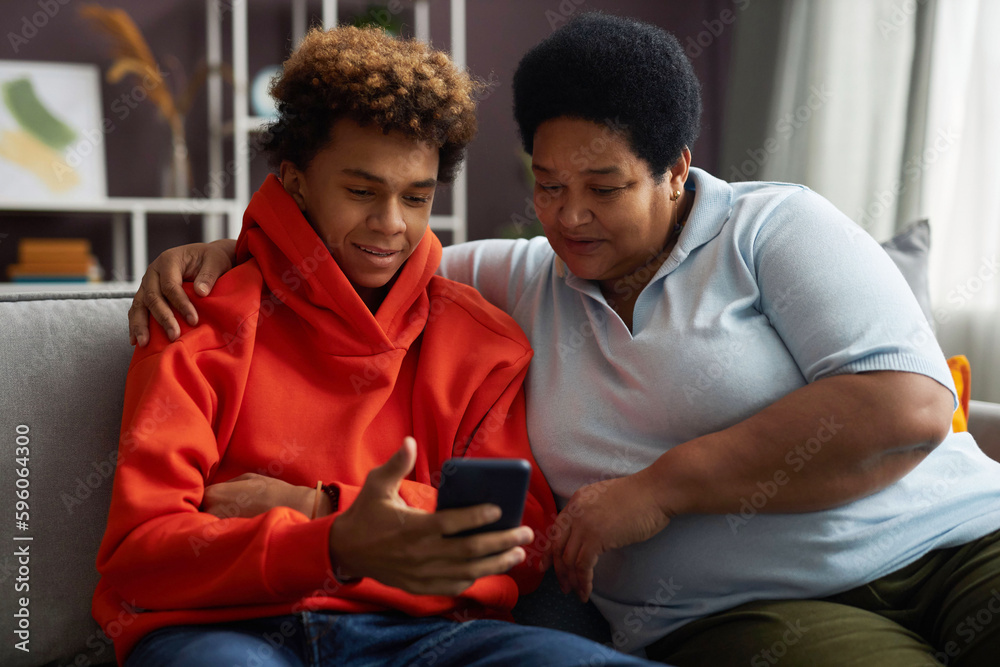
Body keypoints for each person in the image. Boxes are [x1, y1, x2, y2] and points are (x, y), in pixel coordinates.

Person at [129, 12, 1000, 667]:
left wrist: (659, 488)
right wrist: (235, 247)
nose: (570, 216)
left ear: (677, 170)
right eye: (548, 185)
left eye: (604, 186)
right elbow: (345, 252)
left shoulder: (774, 227)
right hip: (741, 611)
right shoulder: (510, 279)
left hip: (958, 539)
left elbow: (909, 404)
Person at [94, 24, 662, 667]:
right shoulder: (195, 318)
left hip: (426, 636)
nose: (390, 224)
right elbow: (142, 550)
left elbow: (517, 546)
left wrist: (326, 509)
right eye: (361, 191)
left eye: (416, 198)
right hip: (225, 631)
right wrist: (336, 545)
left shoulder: (481, 344)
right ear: (297, 180)